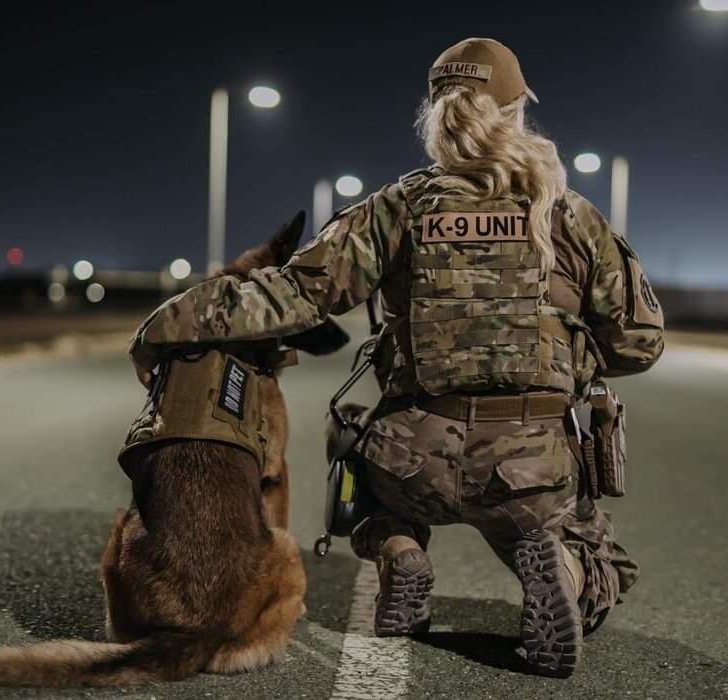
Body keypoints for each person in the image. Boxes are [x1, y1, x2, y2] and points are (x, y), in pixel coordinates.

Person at [128, 37, 664, 678]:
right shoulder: (571, 217)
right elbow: (640, 343)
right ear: (517, 110)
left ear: (438, 116)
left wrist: (165, 324)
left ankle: (400, 549)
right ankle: (566, 569)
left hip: (414, 457)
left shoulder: (399, 208)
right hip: (529, 467)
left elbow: (294, 295)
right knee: (589, 553)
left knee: (359, 454)